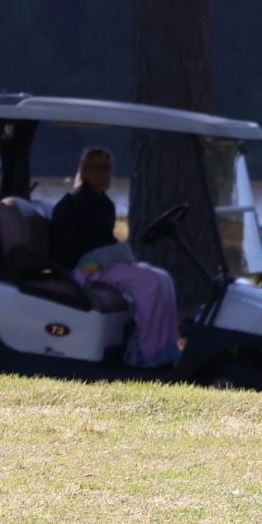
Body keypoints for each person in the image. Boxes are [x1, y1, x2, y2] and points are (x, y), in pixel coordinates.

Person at [49, 147, 180, 368]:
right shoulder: (70, 204)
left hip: (102, 265)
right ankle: (144, 353)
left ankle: (164, 350)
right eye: (98, 168)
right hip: (81, 270)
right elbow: (63, 251)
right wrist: (95, 259)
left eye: (108, 169)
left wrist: (112, 255)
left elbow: (106, 241)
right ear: (85, 170)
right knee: (150, 283)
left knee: (163, 278)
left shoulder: (106, 205)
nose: (104, 174)